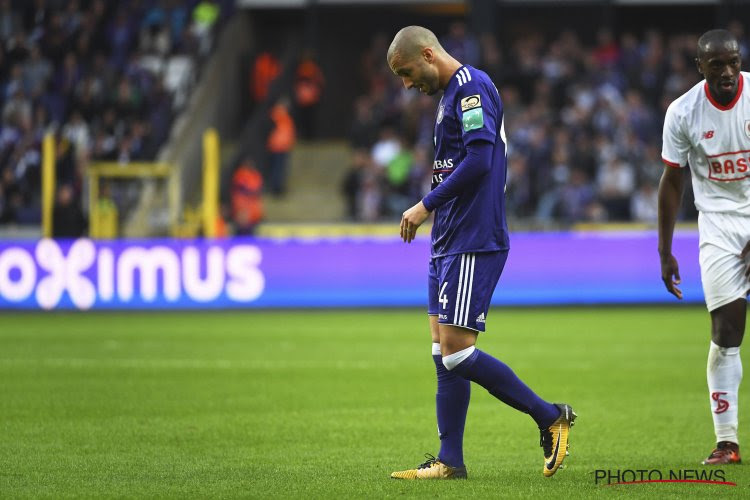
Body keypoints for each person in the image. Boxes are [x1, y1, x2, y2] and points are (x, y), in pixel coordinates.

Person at [386, 26, 575, 480]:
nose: (407, 85)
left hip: (474, 236)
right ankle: (450, 460)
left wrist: (424, 204)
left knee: (456, 353)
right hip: (448, 238)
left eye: (408, 73)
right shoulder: (448, 97)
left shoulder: (472, 89)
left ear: (428, 55)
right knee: (441, 351)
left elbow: (479, 161)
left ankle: (550, 415)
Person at [659, 29, 750, 465]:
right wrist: (664, 250)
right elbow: (672, 180)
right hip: (717, 226)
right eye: (717, 64)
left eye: (733, 61)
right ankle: (727, 441)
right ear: (701, 67)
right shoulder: (683, 112)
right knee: (727, 332)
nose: (728, 71)